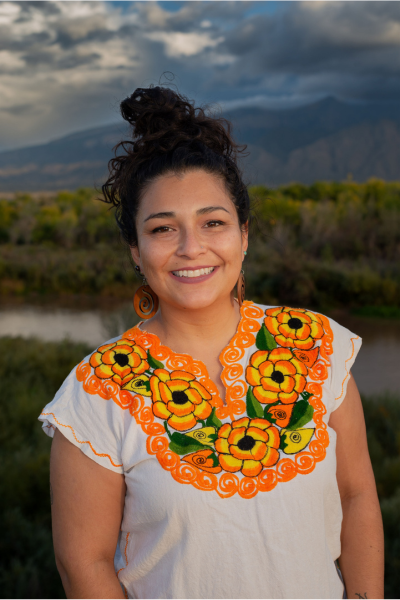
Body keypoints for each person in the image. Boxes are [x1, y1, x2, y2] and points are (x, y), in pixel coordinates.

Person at [39, 86, 384, 600]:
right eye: (162, 229)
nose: (191, 248)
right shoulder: (98, 390)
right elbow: (82, 563)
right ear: (136, 250)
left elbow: (357, 499)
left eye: (213, 222)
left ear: (244, 234)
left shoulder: (317, 344)